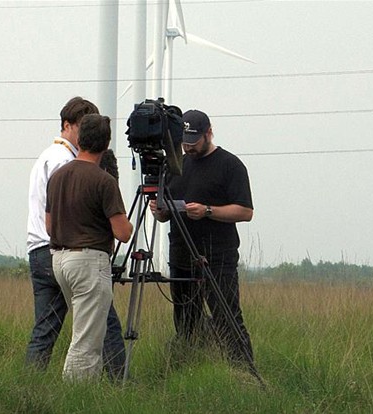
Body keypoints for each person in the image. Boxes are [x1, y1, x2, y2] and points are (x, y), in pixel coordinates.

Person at [25, 97, 126, 380]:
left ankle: (29, 384)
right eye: (81, 127)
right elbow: (72, 209)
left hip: (41, 249)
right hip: (64, 247)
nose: (85, 135)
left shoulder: (47, 156)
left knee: (45, 330)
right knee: (103, 323)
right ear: (67, 125)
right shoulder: (64, 161)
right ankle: (119, 383)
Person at [150, 109, 255, 366]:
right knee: (185, 319)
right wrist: (160, 211)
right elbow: (166, 214)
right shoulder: (175, 165)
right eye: (184, 142)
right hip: (181, 254)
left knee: (226, 316)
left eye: (194, 142)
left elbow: (245, 211)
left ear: (209, 133)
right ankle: (189, 367)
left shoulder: (230, 165)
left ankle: (243, 371)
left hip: (217, 256)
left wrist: (208, 211)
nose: (188, 147)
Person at [46, 114, 133, 380]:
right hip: (88, 262)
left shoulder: (58, 176)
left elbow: (49, 226)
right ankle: (75, 396)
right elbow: (123, 233)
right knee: (86, 343)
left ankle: (83, 391)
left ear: (81, 139)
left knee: (85, 332)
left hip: (60, 260)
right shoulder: (103, 181)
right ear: (106, 144)